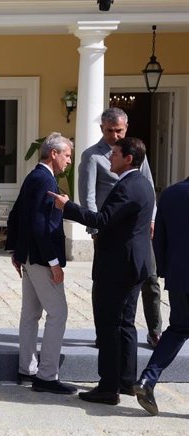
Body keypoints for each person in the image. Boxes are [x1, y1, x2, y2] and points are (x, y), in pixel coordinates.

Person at [49, 137, 155, 406]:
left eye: (115, 154)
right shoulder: (142, 183)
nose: (110, 158)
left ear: (129, 158)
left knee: (109, 325)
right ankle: (127, 381)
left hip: (118, 267)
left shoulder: (128, 186)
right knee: (126, 323)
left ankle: (108, 387)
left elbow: (102, 220)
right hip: (135, 264)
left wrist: (67, 206)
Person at [78, 107, 162, 347]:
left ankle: (155, 330)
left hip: (139, 229)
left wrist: (152, 219)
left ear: (126, 128)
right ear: (102, 128)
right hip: (110, 230)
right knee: (104, 284)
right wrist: (94, 230)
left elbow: (149, 187)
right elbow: (88, 197)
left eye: (119, 130)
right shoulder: (92, 156)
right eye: (109, 130)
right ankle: (102, 332)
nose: (114, 135)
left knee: (151, 279)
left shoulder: (135, 154)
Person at [6, 132, 76, 395]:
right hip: (41, 259)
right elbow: (40, 226)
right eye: (67, 154)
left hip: (29, 257)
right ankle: (46, 375)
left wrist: (16, 251)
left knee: (31, 314)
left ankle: (27, 368)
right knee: (58, 314)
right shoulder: (44, 179)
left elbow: (16, 215)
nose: (69, 161)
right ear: (54, 154)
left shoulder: (33, 177)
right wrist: (54, 262)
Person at [133, 176, 189, 416]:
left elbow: (159, 238)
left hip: (179, 278)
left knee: (178, 329)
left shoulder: (170, 194)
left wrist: (166, 271)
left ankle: (147, 379)